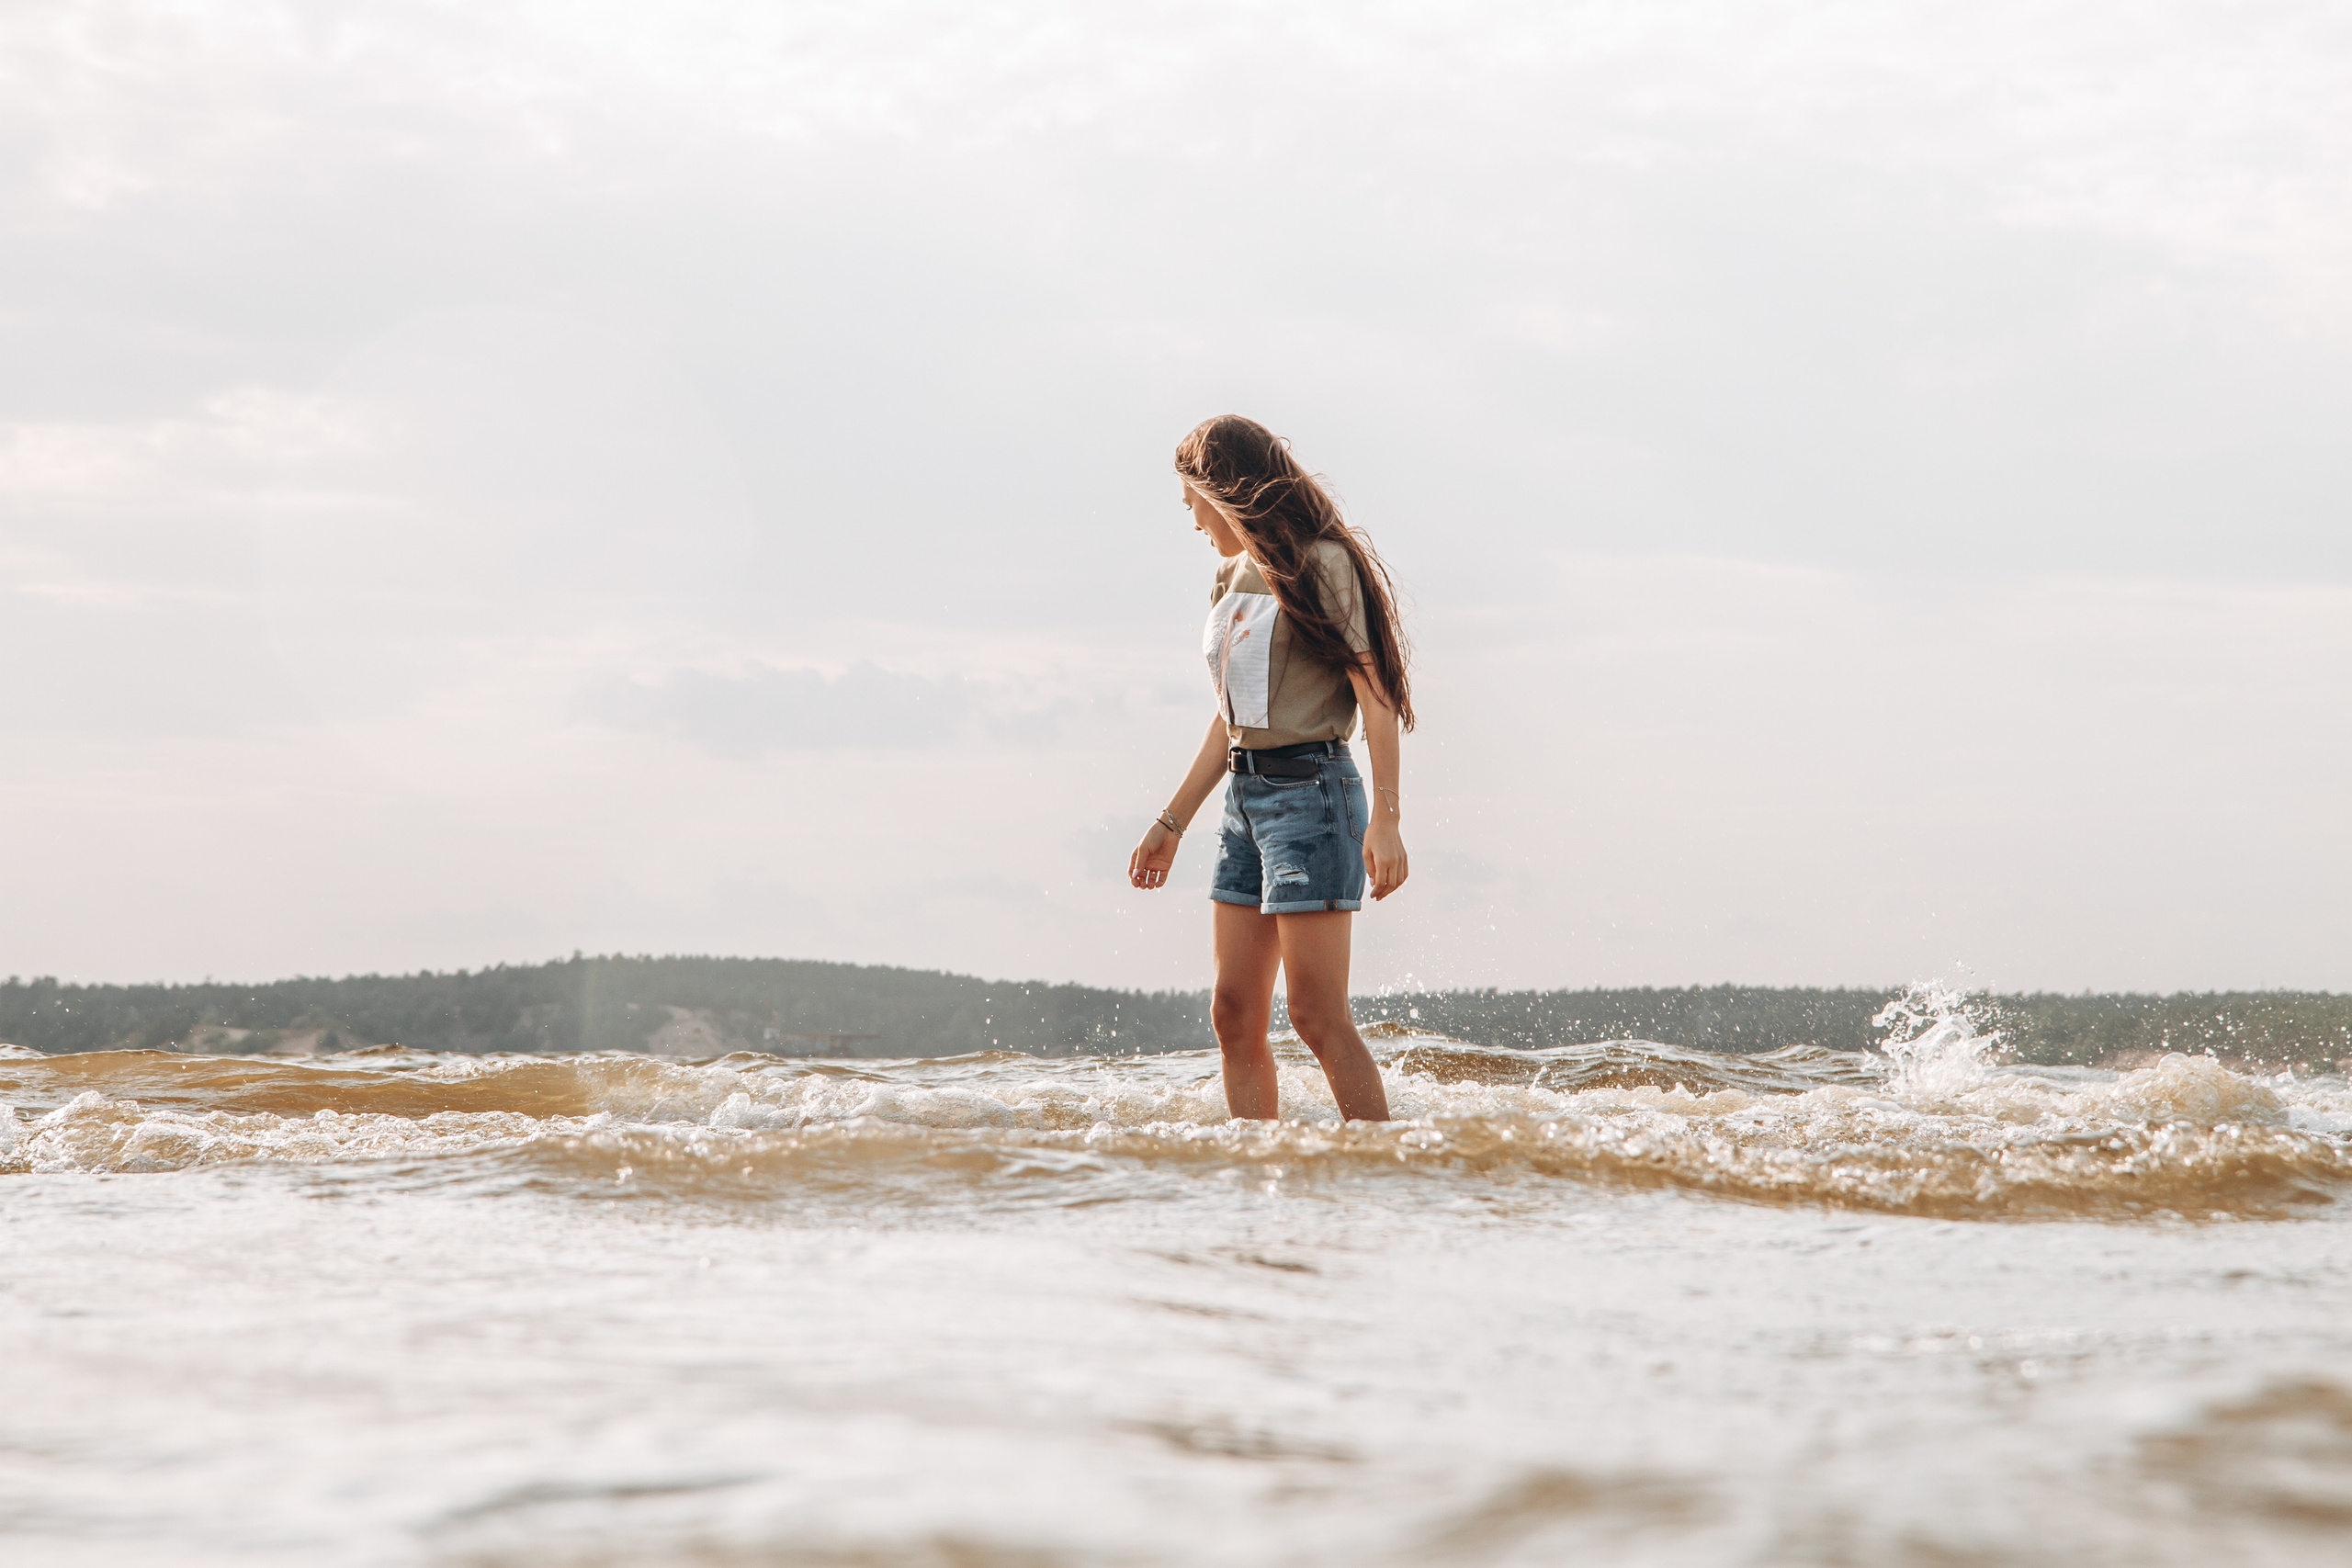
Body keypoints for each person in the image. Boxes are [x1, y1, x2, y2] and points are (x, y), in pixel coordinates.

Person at [1128, 415, 1414, 1122]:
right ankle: (1258, 1180)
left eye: (1193, 498)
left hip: (1313, 795)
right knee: (1232, 1014)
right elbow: (1232, 716)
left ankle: (1379, 1173)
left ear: (1224, 489)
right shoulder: (1229, 576)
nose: (1192, 518)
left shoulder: (1324, 563)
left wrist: (1386, 817)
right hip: (1244, 800)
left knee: (1317, 1017)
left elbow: (1375, 697)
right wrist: (1173, 820)